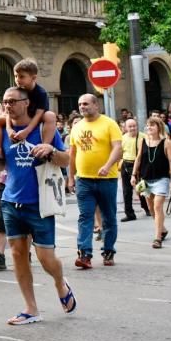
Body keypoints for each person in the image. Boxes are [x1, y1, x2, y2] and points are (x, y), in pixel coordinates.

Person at [0, 87, 75, 325]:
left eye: (12, 101)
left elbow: (65, 159)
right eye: (5, 102)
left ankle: (60, 283)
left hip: (39, 203)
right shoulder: (1, 129)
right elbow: (2, 167)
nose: (7, 106)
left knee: (46, 258)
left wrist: (50, 150)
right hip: (11, 201)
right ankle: (31, 308)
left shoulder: (42, 129)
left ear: (26, 103)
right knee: (18, 255)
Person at [68, 94, 123, 269]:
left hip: (107, 179)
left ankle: (108, 251)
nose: (82, 107)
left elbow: (118, 149)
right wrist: (70, 177)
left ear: (96, 105)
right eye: (80, 104)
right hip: (84, 179)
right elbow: (72, 154)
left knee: (108, 217)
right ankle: (85, 254)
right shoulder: (76, 127)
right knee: (85, 217)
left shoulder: (109, 124)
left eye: (85, 103)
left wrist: (107, 165)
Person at [0, 60, 57, 169]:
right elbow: (8, 112)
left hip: (37, 117)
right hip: (19, 118)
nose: (17, 80)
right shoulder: (17, 90)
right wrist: (8, 128)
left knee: (50, 115)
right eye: (16, 76)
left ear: (33, 78)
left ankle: (44, 147)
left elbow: (39, 115)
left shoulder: (40, 93)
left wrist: (26, 131)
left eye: (21, 77)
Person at [131, 117, 171, 248]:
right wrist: (133, 175)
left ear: (159, 127)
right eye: (147, 126)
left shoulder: (166, 143)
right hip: (146, 180)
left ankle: (157, 238)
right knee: (150, 208)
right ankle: (163, 229)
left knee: (157, 206)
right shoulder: (143, 141)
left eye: (152, 126)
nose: (149, 128)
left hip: (162, 179)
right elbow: (138, 159)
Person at [119, 118, 150, 220]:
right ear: (126, 128)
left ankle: (147, 207)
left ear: (137, 126)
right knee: (126, 191)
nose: (132, 128)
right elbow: (120, 152)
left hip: (139, 166)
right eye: (130, 126)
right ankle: (129, 214)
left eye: (134, 126)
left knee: (141, 188)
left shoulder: (144, 137)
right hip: (126, 165)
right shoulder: (122, 138)